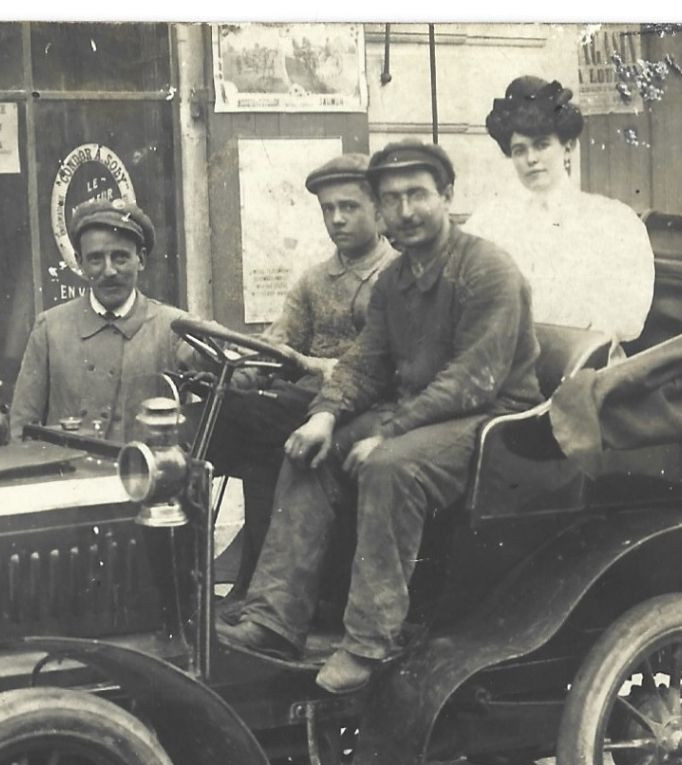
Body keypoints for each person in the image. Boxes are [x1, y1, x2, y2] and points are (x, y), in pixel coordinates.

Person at [220, 140, 539, 695]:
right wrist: (322, 418)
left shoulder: (488, 267)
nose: (406, 210)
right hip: (422, 415)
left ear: (447, 196)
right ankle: (274, 620)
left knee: (389, 468)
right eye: (392, 199)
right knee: (309, 454)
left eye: (418, 194)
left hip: (493, 422)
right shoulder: (396, 281)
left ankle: (369, 644)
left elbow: (474, 380)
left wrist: (389, 432)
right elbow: (365, 363)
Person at [207, 152, 397, 603]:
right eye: (328, 209)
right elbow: (279, 340)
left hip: (364, 408)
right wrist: (246, 368)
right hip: (306, 406)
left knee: (238, 425)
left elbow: (382, 368)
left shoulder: (396, 277)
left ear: (378, 209)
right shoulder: (314, 280)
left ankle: (271, 593)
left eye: (348, 207)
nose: (336, 219)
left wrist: (304, 365)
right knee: (219, 422)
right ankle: (248, 585)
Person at [468, 75, 655, 344]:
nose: (531, 159)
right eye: (519, 150)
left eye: (542, 145)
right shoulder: (489, 223)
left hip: (586, 365)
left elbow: (628, 315)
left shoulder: (613, 221)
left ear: (568, 148)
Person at [10, 198, 195, 441]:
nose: (109, 271)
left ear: (140, 259)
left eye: (120, 257)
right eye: (96, 259)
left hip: (144, 476)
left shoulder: (173, 328)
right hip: (67, 478)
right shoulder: (50, 329)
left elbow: (228, 366)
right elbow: (22, 428)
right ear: (79, 262)